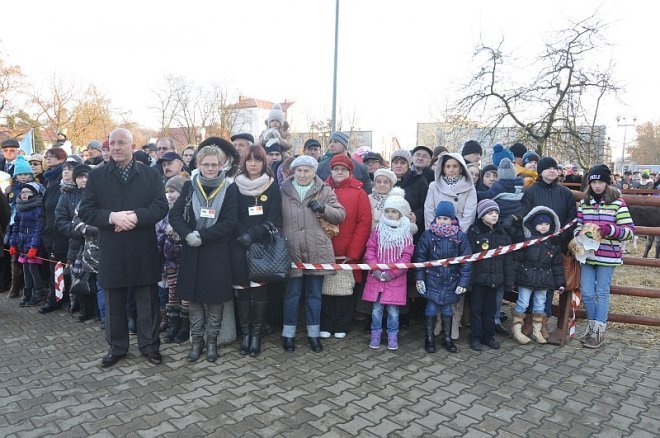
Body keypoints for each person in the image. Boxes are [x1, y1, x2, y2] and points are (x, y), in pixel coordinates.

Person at [78, 128, 168, 368]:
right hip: (112, 247)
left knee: (147, 300)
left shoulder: (150, 175)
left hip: (143, 246)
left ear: (133, 146)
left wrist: (135, 217)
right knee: (114, 301)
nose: (116, 147)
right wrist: (112, 217)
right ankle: (116, 347)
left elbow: (161, 207)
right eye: (113, 143)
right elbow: (86, 210)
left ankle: (149, 346)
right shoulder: (97, 176)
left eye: (121, 143)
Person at [169, 143, 238, 363]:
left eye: (214, 165)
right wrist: (188, 234)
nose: (210, 168)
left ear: (221, 165)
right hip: (192, 251)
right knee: (194, 300)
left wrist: (203, 236)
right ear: (198, 164)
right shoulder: (189, 186)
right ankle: (196, 342)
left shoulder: (230, 188)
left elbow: (230, 222)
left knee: (215, 300)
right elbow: (175, 216)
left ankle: (211, 343)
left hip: (216, 252)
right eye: (206, 164)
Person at [280, 155, 345, 353]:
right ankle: (288, 334)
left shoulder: (324, 190)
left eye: (306, 170)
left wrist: (323, 208)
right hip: (291, 250)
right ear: (293, 171)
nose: (302, 174)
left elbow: (341, 214)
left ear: (314, 172)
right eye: (298, 170)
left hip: (317, 250)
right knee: (291, 295)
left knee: (314, 295)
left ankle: (313, 334)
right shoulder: (283, 190)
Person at [574, 164, 634, 348]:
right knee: (588, 293)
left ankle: (599, 330)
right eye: (594, 182)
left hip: (608, 255)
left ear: (607, 183)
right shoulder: (585, 203)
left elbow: (630, 231)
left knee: (601, 292)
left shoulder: (617, 203)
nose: (597, 186)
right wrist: (579, 234)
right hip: (587, 254)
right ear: (589, 183)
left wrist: (610, 230)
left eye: (600, 182)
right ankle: (592, 327)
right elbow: (578, 223)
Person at [230, 145, 282, 358]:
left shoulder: (271, 186)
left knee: (259, 290)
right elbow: (231, 215)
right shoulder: (234, 186)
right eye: (249, 160)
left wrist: (254, 234)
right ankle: (246, 333)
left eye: (257, 160)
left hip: (262, 244)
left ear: (264, 163)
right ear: (244, 162)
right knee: (243, 290)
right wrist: (244, 236)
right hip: (239, 244)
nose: (253, 164)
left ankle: (257, 335)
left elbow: (274, 217)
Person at [520, 156, 576, 338]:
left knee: (547, 284)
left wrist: (562, 238)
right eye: (548, 168)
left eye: (554, 168)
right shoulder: (531, 192)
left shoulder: (565, 193)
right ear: (541, 171)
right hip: (533, 246)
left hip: (555, 245)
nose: (552, 171)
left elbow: (571, 217)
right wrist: (531, 237)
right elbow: (525, 215)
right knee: (529, 282)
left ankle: (542, 321)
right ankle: (527, 320)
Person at [320, 155, 372, 340]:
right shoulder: (321, 189)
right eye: (336, 169)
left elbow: (364, 223)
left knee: (346, 290)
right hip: (325, 249)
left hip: (349, 251)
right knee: (325, 290)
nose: (339, 172)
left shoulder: (359, 193)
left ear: (350, 172)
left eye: (343, 169)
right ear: (331, 171)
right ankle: (326, 323)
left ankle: (343, 324)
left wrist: (354, 251)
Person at [414, 201, 472, 353]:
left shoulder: (460, 236)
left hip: (451, 280)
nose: (442, 221)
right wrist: (419, 279)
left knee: (447, 308)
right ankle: (429, 338)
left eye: (446, 218)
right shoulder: (428, 235)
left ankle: (447, 338)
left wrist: (463, 282)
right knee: (431, 307)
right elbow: (420, 258)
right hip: (431, 278)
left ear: (452, 219)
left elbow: (466, 261)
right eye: (439, 218)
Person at [362, 192, 414, 350]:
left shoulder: (406, 232)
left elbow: (406, 256)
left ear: (400, 213)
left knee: (393, 311)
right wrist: (375, 269)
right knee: (377, 309)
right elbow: (370, 250)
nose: (390, 214)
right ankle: (375, 334)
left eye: (394, 211)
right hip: (376, 277)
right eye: (387, 211)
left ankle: (392, 336)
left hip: (395, 280)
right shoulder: (378, 230)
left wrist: (392, 273)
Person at [511, 207, 565, 344]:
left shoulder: (553, 243)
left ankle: (537, 331)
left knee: (540, 305)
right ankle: (517, 330)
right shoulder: (527, 240)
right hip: (526, 277)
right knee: (522, 303)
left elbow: (557, 265)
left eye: (546, 224)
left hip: (544, 280)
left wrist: (560, 282)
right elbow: (517, 259)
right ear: (534, 224)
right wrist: (512, 279)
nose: (543, 226)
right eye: (540, 223)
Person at [466, 199, 513, 351]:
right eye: (490, 213)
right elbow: (469, 258)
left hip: (495, 280)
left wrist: (508, 282)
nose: (494, 215)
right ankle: (475, 337)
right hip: (479, 280)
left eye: (496, 213)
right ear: (481, 215)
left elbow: (508, 260)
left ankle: (489, 336)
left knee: (490, 311)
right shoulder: (474, 232)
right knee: (476, 310)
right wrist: (468, 281)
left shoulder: (502, 233)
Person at [58, 164, 97, 322]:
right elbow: (60, 220)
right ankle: (83, 310)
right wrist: (80, 232)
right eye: (80, 177)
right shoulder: (66, 196)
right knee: (79, 277)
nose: (84, 180)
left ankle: (97, 311)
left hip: (96, 243)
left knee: (95, 278)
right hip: (77, 243)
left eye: (87, 176)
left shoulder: (98, 195)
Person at [157, 175, 190, 344]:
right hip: (169, 261)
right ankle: (173, 325)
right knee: (172, 294)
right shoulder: (164, 212)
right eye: (167, 192)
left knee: (185, 295)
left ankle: (185, 326)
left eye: (174, 191)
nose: (169, 195)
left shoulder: (187, 210)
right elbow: (158, 234)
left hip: (185, 261)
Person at [39, 148, 70, 314]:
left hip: (65, 233)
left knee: (64, 267)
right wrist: (45, 229)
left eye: (51, 156)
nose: (48, 159)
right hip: (50, 232)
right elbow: (44, 209)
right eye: (47, 156)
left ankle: (64, 299)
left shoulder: (61, 182)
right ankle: (56, 298)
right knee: (54, 267)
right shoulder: (49, 180)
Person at [9, 182, 46, 307]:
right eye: (23, 192)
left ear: (34, 194)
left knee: (33, 269)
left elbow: (38, 229)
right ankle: (28, 292)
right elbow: (16, 227)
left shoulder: (37, 209)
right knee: (25, 269)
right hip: (22, 244)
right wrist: (13, 243)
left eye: (28, 192)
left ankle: (39, 292)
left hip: (33, 245)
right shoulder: (19, 208)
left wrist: (34, 247)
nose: (24, 195)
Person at [390, 150, 427, 242]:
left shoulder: (419, 180)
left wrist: (416, 215)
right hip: (390, 228)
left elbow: (427, 205)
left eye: (402, 163)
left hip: (412, 230)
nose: (399, 165)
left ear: (408, 164)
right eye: (395, 162)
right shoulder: (386, 180)